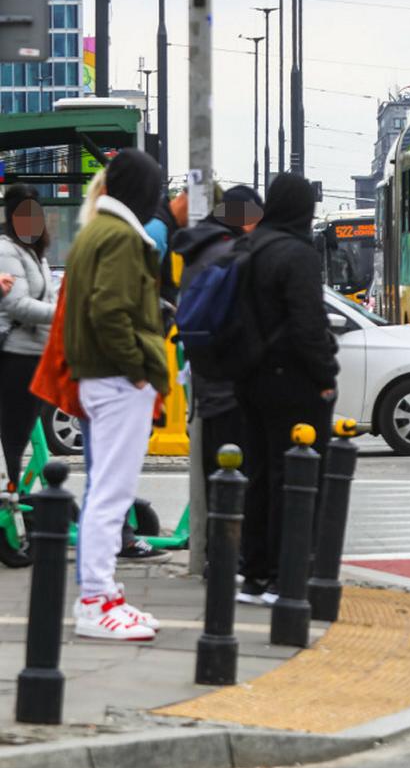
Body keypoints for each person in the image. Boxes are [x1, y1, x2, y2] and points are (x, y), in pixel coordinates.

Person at [63, 149, 169, 641]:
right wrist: (139, 371)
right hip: (117, 379)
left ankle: (100, 595)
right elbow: (111, 312)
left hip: (101, 377)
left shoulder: (95, 232)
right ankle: (96, 600)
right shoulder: (124, 237)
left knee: (105, 492)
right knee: (112, 493)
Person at [235, 173, 338, 605]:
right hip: (292, 381)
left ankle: (254, 574)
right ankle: (284, 576)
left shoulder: (249, 247)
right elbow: (308, 324)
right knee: (294, 478)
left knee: (258, 475)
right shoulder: (298, 254)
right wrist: (325, 376)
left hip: (248, 378)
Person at [173, 184, 263, 484]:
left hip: (206, 387)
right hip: (231, 392)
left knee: (218, 486)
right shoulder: (229, 254)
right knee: (233, 489)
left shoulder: (199, 249)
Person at [0, 185, 56, 491]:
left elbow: (48, 296)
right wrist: (61, 313)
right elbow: (17, 304)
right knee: (14, 435)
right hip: (15, 355)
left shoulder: (36, 254)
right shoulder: (6, 250)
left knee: (23, 431)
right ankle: (11, 498)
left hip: (37, 353)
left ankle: (17, 495)